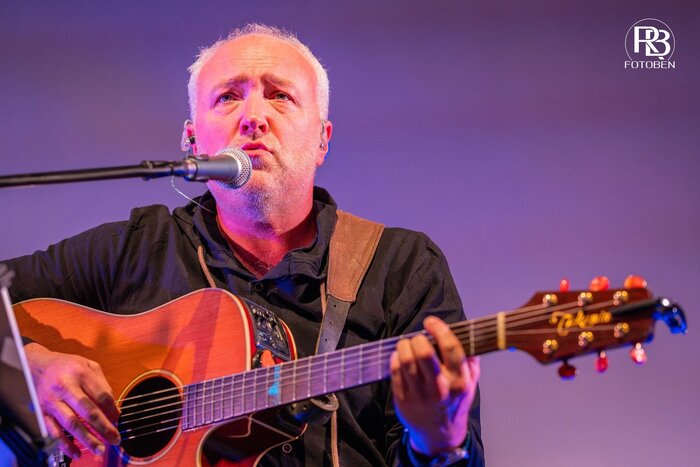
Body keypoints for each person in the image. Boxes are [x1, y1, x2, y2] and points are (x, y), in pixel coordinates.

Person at [6, 24, 484, 466]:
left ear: (322, 140)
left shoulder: (401, 268)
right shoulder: (135, 250)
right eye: (228, 97)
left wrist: (438, 438)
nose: (254, 117)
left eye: (280, 96)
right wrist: (30, 367)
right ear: (193, 142)